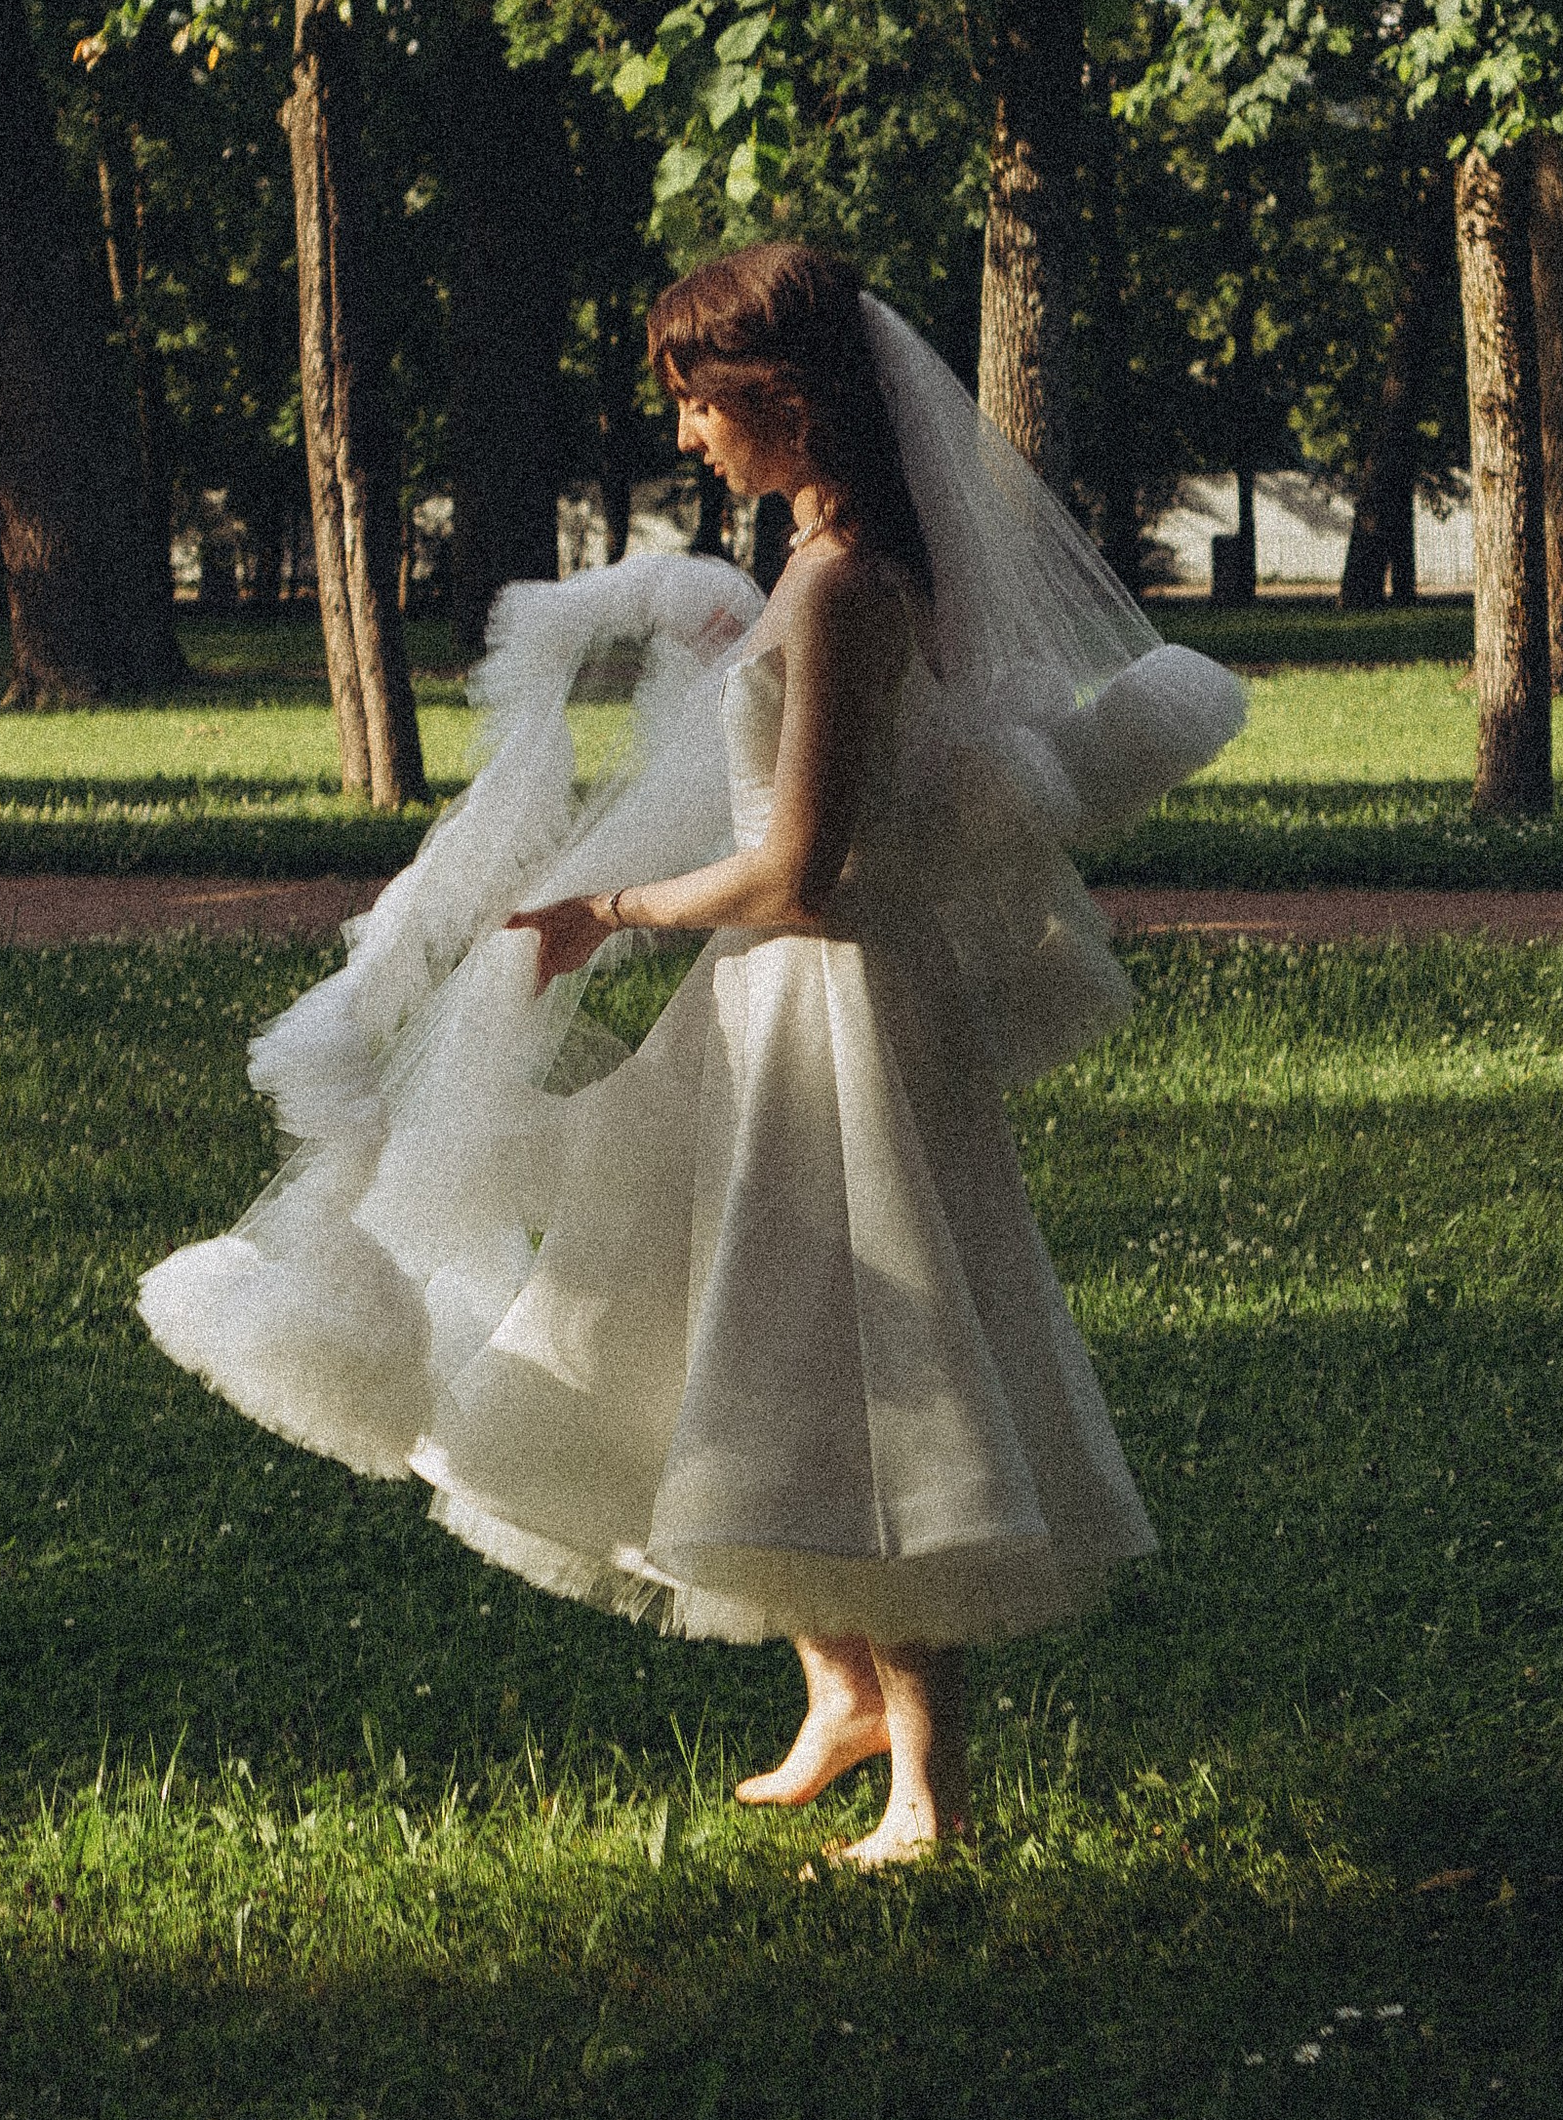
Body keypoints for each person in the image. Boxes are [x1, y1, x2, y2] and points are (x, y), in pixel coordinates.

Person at [140, 243, 1247, 1861]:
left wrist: (610, 908)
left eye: (702, 403)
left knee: (869, 1357)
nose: (687, 435)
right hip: (776, 1000)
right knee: (700, 1315)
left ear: (785, 400)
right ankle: (839, 1689)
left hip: (832, 1005)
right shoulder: (827, 564)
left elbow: (802, 871)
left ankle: (928, 1788)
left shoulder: (849, 585)